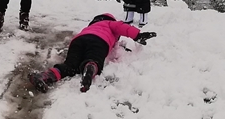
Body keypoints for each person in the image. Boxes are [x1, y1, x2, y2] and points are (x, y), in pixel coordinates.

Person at [29, 14, 157, 93]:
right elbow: (122, 27)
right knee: (94, 58)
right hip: (99, 41)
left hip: (78, 41)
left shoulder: (88, 27)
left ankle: (45, 76)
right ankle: (90, 66)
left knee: (69, 66)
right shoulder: (110, 23)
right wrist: (137, 35)